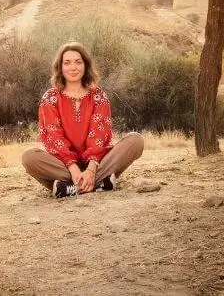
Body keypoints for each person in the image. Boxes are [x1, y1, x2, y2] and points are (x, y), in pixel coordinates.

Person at [22, 42, 145, 198]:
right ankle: (100, 184)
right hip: (63, 165)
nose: (73, 67)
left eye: (78, 62)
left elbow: (99, 137)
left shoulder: (98, 96)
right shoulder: (50, 98)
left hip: (97, 163)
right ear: (60, 67)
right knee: (29, 157)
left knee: (135, 140)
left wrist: (91, 169)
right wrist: (73, 168)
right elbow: (54, 137)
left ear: (85, 65)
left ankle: (69, 188)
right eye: (67, 63)